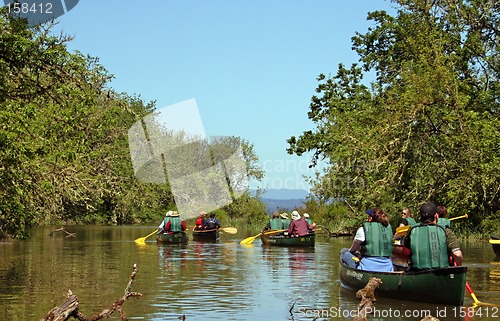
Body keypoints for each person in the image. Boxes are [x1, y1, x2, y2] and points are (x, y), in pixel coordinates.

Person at [404, 202, 463, 269]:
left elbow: (406, 250)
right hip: (442, 274)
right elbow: (457, 254)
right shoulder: (445, 231)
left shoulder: (412, 230)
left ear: (421, 217)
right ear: (436, 216)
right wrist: (459, 269)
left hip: (418, 274)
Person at [341, 208, 394, 272]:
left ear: (370, 218)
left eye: (368, 216)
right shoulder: (388, 229)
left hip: (367, 268)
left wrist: (358, 254)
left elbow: (352, 250)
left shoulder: (363, 229)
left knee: (344, 252)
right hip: (388, 269)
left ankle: (347, 277)